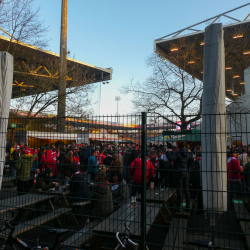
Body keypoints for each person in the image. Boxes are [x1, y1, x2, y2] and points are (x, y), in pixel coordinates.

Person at [172, 140, 193, 212]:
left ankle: (179, 206)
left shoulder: (177, 153)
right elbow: (192, 158)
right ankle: (188, 206)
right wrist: (188, 167)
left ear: (178, 146)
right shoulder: (187, 152)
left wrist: (168, 153)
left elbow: (172, 159)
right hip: (185, 171)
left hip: (179, 171)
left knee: (179, 190)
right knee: (186, 189)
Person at [189, 150, 203, 214]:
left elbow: (193, 173)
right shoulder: (204, 162)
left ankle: (191, 210)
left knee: (193, 197)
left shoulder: (195, 162)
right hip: (202, 182)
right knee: (200, 197)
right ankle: (200, 210)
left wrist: (190, 182)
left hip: (196, 182)